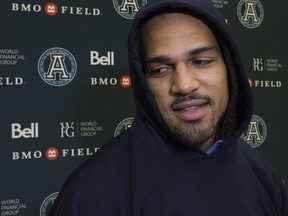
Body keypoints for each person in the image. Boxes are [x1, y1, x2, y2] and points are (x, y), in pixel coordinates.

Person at [48, 0, 288, 215]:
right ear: (143, 82)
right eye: (160, 70)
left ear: (230, 68)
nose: (184, 85)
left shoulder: (262, 174)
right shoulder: (92, 193)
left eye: (201, 62)